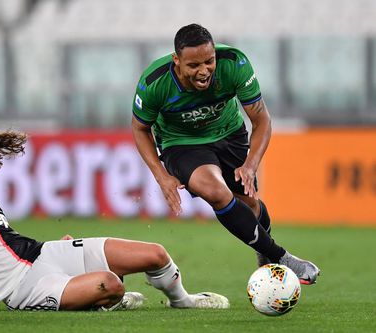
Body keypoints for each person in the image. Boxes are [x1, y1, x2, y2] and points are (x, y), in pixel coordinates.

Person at [0, 116, 230, 312]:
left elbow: (7, 246)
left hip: (45, 254)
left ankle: (182, 301)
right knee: (110, 285)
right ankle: (103, 300)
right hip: (20, 289)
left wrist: (57, 245)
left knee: (155, 254)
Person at [131, 23, 320, 284]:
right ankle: (281, 257)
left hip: (230, 134)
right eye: (193, 66)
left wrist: (251, 164)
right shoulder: (155, 83)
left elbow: (262, 120)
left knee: (250, 206)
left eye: (209, 62)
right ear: (177, 60)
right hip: (182, 143)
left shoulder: (234, 64)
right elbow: (140, 128)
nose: (204, 71)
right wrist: (162, 176)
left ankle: (263, 252)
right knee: (216, 191)